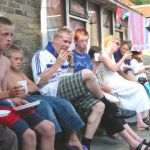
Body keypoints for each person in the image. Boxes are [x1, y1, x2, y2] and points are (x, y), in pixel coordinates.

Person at [32, 26, 107, 150]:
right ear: (55, 40)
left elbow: (68, 77)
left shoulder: (65, 56)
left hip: (65, 89)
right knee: (87, 73)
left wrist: (71, 64)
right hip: (50, 91)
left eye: (69, 42)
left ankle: (86, 143)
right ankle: (107, 101)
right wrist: (57, 64)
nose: (67, 45)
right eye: (65, 41)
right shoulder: (41, 55)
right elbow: (39, 83)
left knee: (99, 106)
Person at [3, 45, 85, 150]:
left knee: (62, 102)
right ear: (7, 59)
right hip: (23, 100)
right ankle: (58, 139)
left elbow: (34, 86)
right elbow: (10, 93)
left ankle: (73, 137)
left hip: (34, 96)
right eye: (16, 59)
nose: (19, 62)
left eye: (21, 59)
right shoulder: (6, 74)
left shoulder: (20, 73)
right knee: (44, 106)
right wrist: (20, 92)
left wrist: (25, 89)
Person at [0, 16, 55, 150]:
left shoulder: (5, 62)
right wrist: (9, 94)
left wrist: (14, 99)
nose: (9, 39)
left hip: (5, 105)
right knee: (29, 135)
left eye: (11, 35)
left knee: (49, 127)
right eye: (4, 34)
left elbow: (3, 93)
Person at [100, 34, 150, 130]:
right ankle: (140, 120)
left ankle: (140, 121)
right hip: (110, 81)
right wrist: (124, 58)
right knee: (138, 87)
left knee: (138, 88)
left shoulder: (110, 55)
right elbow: (114, 69)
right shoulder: (104, 55)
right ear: (110, 43)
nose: (119, 46)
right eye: (117, 44)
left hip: (116, 79)